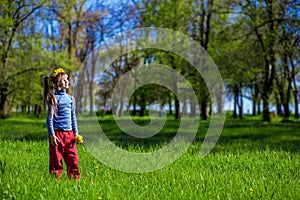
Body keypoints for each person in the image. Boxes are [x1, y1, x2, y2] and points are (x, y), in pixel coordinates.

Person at [46, 67, 80, 180]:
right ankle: (55, 180)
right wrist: (51, 135)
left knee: (73, 158)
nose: (67, 82)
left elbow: (73, 117)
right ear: (56, 85)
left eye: (67, 79)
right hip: (57, 134)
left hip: (69, 134)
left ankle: (74, 180)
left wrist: (76, 133)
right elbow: (49, 119)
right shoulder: (53, 99)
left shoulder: (70, 99)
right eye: (63, 80)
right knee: (56, 159)